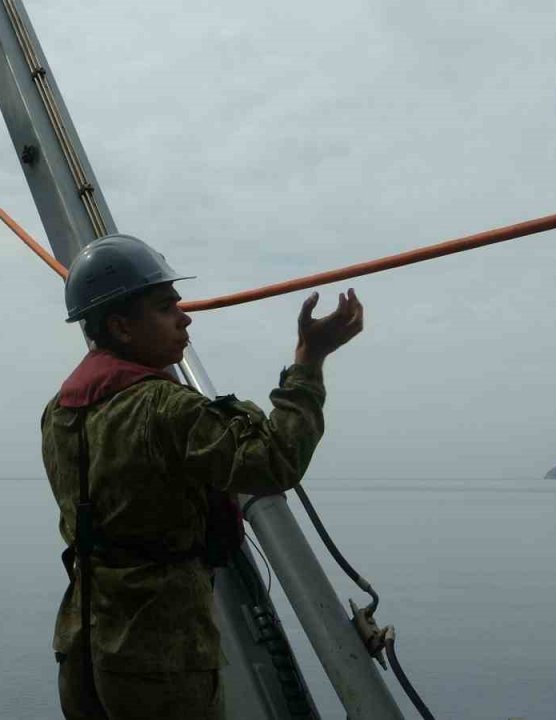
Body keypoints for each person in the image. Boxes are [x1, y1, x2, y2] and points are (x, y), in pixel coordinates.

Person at [42, 233, 364, 719]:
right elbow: (274, 460)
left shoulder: (60, 411)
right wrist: (309, 361)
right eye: (165, 307)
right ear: (122, 328)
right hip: (158, 656)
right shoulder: (163, 407)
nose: (185, 317)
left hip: (84, 647)